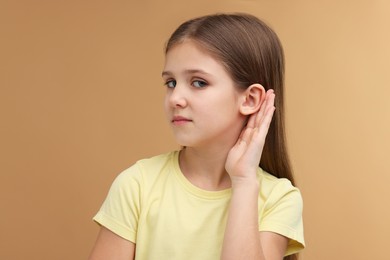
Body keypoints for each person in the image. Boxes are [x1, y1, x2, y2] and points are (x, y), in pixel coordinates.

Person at [89, 13, 305, 260]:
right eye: (170, 83)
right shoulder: (137, 185)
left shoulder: (278, 199)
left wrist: (244, 181)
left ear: (250, 99)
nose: (175, 98)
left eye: (199, 83)